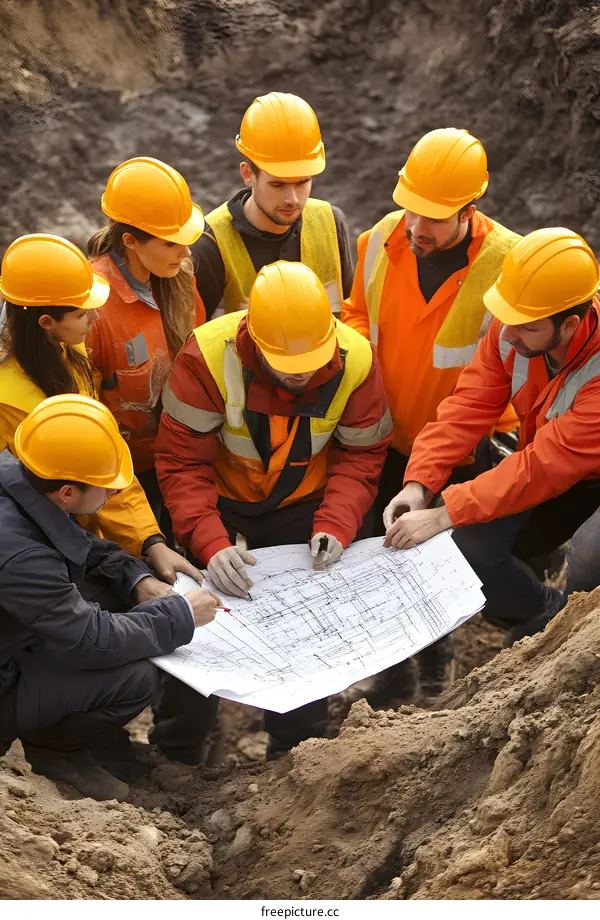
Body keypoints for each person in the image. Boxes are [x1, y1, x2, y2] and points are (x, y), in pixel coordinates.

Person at [155, 260, 392, 760]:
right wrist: (209, 542)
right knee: (195, 625)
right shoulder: (206, 355)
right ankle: (177, 755)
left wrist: (336, 523)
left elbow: (361, 454)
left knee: (306, 630)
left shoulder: (357, 360)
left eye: (312, 359)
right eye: (290, 363)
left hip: (302, 504)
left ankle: (297, 755)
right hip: (216, 499)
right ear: (255, 342)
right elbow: (181, 463)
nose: (303, 371)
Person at [341, 127, 520, 699]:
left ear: (471, 210)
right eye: (410, 211)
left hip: (465, 450)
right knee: (384, 555)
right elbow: (356, 316)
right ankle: (393, 676)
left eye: (435, 218)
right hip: (385, 440)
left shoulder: (510, 264)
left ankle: (439, 672)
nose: (417, 228)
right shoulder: (376, 244)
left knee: (441, 569)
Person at [383, 227, 600, 645]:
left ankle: (578, 636)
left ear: (570, 324)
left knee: (590, 558)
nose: (509, 334)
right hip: (545, 460)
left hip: (576, 473)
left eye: (525, 327)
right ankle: (545, 613)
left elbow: (541, 467)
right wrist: (419, 483)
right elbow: (467, 406)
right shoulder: (514, 324)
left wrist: (444, 512)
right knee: (470, 550)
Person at [0, 394, 221, 800]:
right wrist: (181, 615)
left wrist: (137, 578)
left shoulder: (20, 481)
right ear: (68, 492)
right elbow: (90, 639)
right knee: (134, 679)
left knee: (119, 604)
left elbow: (81, 546)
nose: (110, 497)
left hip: (12, 642)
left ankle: (83, 736)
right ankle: (49, 748)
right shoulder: (20, 555)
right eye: (105, 489)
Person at [0, 233, 202, 585]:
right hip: (46, 553)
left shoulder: (65, 352)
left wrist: (150, 540)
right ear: (46, 322)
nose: (95, 317)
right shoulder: (16, 402)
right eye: (82, 313)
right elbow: (90, 479)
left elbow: (104, 463)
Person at [86, 156, 206, 538]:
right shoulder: (93, 307)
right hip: (119, 479)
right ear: (130, 241)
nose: (186, 253)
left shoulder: (179, 279)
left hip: (181, 462)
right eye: (172, 243)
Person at [192, 92, 354, 318]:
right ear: (248, 174)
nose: (293, 199)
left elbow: (350, 317)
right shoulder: (210, 244)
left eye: (302, 183)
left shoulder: (331, 223)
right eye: (278, 185)